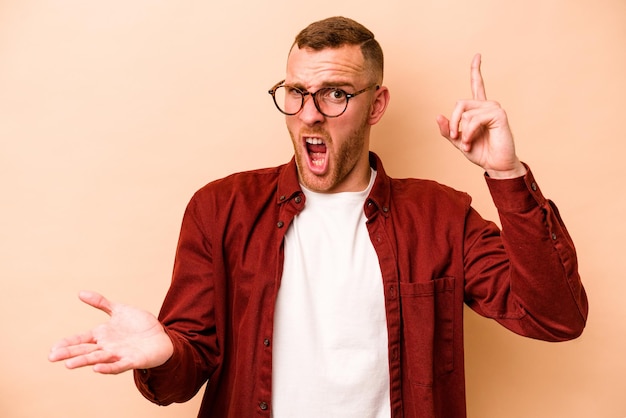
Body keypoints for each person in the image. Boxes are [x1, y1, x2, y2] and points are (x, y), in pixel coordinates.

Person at [49, 16, 588, 418]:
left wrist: (507, 174)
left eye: (335, 94)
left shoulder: (442, 216)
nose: (309, 112)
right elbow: (176, 382)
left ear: (376, 106)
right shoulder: (221, 208)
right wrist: (165, 351)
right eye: (297, 92)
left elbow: (555, 318)